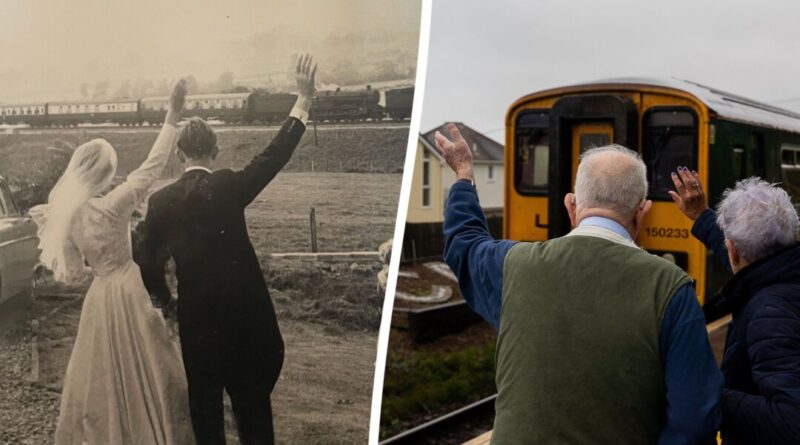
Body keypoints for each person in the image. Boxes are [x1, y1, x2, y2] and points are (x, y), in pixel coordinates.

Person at [434, 124, 722, 444]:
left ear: (571, 206)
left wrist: (464, 175)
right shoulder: (672, 289)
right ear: (642, 214)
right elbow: (696, 419)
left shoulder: (512, 266)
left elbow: (465, 244)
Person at [135, 54, 316, 445]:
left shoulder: (161, 202)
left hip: (198, 323)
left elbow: (146, 260)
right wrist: (303, 99)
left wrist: (163, 300)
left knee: (206, 413)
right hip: (246, 320)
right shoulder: (229, 186)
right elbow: (274, 155)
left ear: (181, 155)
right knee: (253, 414)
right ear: (214, 151)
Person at [29, 80, 192, 444]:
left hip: (100, 296)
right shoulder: (114, 204)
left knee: (101, 374)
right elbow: (151, 167)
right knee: (153, 363)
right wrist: (172, 116)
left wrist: (95, 271)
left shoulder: (67, 216)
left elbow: (71, 275)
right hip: (129, 287)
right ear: (104, 173)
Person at [670, 170, 800, 444]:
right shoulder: (783, 270)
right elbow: (751, 256)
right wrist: (702, 216)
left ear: (733, 251)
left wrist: (710, 392)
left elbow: (792, 420)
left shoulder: (770, 314)